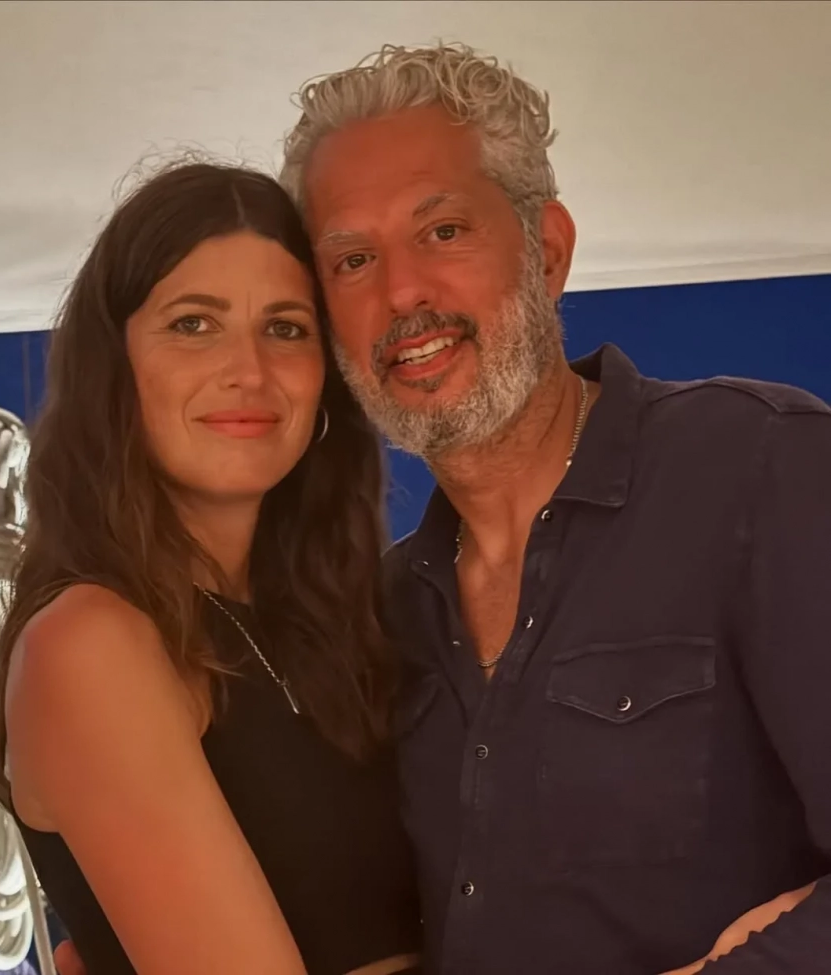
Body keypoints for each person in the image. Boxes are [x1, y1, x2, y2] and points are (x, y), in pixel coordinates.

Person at [275, 43, 831, 975]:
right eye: (353, 259)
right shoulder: (383, 614)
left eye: (443, 230)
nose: (402, 292)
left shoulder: (764, 467)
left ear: (547, 251)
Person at [0, 163, 422, 975]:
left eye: (285, 327)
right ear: (115, 369)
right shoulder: (89, 642)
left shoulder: (337, 626)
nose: (248, 369)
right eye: (193, 324)